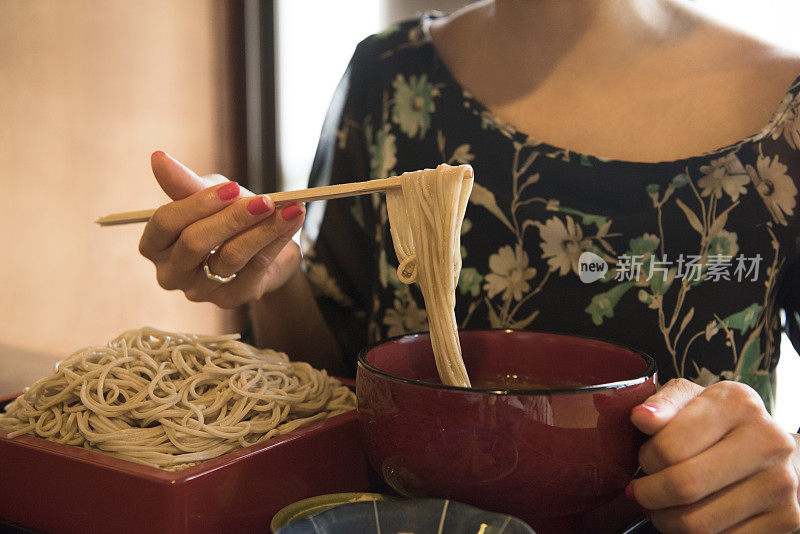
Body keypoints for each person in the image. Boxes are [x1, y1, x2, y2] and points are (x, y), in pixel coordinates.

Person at [138, 1, 800, 532]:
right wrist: (275, 283)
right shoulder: (389, 76)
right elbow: (332, 381)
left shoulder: (786, 106)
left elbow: (784, 471)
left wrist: (784, 480)